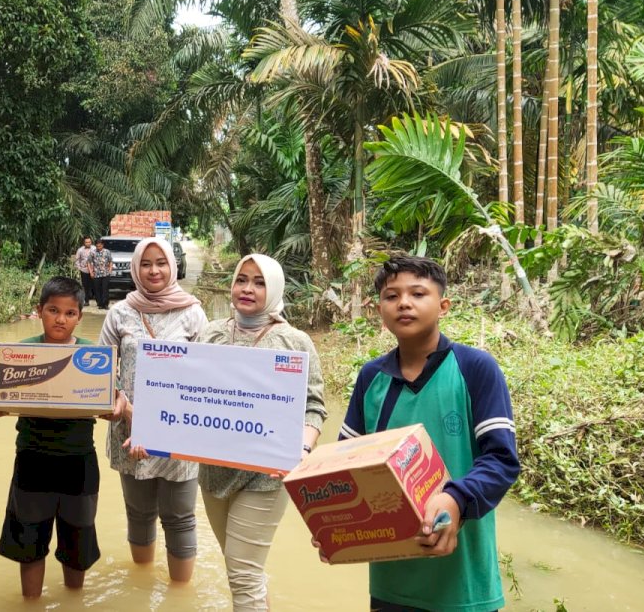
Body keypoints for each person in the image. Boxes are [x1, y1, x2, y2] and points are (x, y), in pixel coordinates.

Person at [331, 255, 520, 612]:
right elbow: (348, 465)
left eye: (418, 293)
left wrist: (456, 499)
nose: (404, 302)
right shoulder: (372, 378)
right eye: (392, 296)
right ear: (378, 309)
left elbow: (501, 461)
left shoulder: (476, 369)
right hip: (391, 584)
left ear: (443, 305)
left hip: (464, 585)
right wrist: (333, 522)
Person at [193, 253, 327, 611]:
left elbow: (314, 407)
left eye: (259, 282)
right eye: (241, 279)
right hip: (213, 470)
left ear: (275, 288)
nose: (247, 289)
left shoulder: (296, 342)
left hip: (267, 474)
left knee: (243, 573)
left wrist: (300, 450)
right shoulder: (209, 334)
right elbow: (186, 397)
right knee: (242, 567)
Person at [0, 276, 127, 597]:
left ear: (79, 316)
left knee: (78, 542)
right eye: (53, 310)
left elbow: (112, 402)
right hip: (32, 458)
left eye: (69, 313)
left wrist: (114, 408)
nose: (60, 319)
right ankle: (31, 602)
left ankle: (73, 600)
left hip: (79, 461)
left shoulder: (95, 356)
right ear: (39, 311)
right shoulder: (20, 352)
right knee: (29, 543)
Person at [99, 237, 207, 582]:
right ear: (135, 268)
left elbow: (210, 374)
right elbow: (101, 370)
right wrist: (117, 402)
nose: (154, 270)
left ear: (172, 266)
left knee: (180, 515)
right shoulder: (119, 313)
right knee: (139, 512)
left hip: (181, 432)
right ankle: (141, 584)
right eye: (146, 263)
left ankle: (180, 594)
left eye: (161, 262)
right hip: (129, 429)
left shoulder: (192, 312)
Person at [89, 238, 113, 310]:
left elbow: (110, 261)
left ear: (102, 245)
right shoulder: (92, 252)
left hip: (105, 273)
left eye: (100, 246)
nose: (98, 247)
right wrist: (91, 272)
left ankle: (105, 304)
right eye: (97, 246)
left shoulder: (107, 252)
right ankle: (100, 304)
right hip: (96, 274)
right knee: (97, 289)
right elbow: (89, 262)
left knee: (105, 289)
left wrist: (110, 270)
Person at [73, 237, 95, 307]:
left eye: (89, 242)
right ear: (84, 243)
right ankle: (86, 301)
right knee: (85, 286)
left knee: (95, 285)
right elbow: (77, 260)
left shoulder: (94, 249)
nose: (88, 243)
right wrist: (79, 268)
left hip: (94, 270)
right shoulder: (80, 250)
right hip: (84, 270)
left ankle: (98, 300)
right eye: (86, 242)